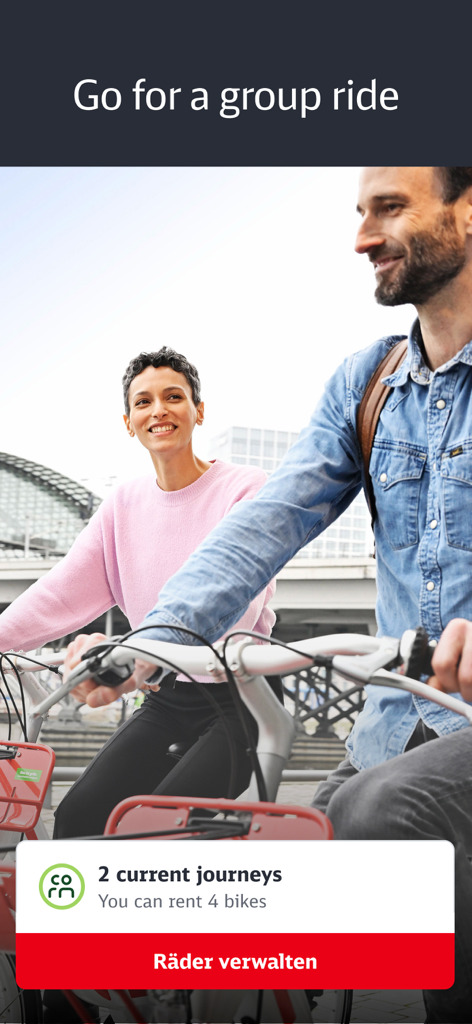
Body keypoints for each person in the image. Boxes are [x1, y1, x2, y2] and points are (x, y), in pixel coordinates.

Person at [113, 168, 472, 1024]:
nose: (361, 238)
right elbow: (272, 517)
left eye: (390, 209)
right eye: (359, 213)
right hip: (398, 721)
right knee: (287, 860)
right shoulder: (369, 383)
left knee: (382, 809)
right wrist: (156, 633)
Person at [0, 346, 279, 837]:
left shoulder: (245, 487)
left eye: (174, 397)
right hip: (167, 698)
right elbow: (60, 592)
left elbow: (233, 600)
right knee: (77, 818)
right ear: (129, 422)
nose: (160, 411)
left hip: (244, 694)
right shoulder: (123, 504)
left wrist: (130, 656)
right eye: (144, 402)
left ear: (199, 410)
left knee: (156, 829)